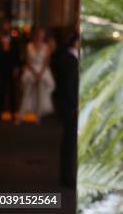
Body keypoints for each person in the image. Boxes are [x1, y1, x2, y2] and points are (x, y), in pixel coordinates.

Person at [54, 31, 80, 186]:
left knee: (69, 142)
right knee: (69, 143)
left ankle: (67, 174)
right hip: (70, 107)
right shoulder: (70, 59)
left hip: (69, 106)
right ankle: (67, 176)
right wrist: (75, 105)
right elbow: (70, 86)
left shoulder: (70, 58)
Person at [17, 27, 56, 124]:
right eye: (38, 34)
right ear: (35, 35)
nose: (40, 37)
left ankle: (38, 116)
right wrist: (34, 73)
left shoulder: (47, 47)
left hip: (42, 72)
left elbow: (47, 62)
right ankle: (20, 115)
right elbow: (28, 61)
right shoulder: (29, 46)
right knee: (26, 92)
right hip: (31, 71)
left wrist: (40, 74)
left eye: (42, 35)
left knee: (41, 93)